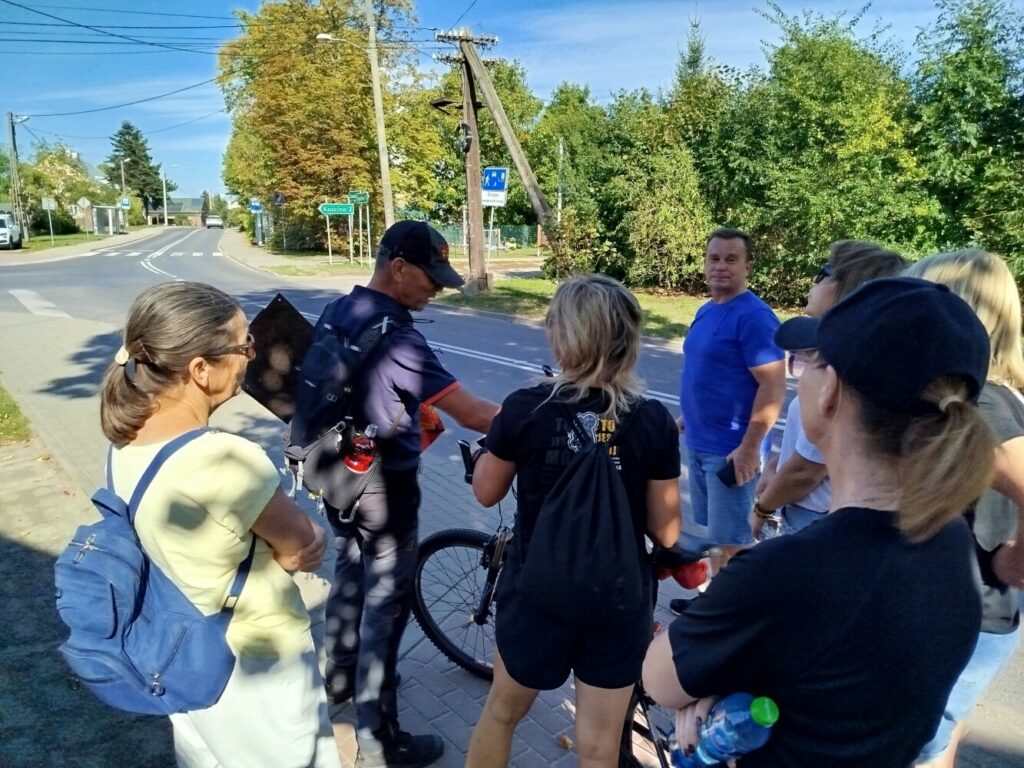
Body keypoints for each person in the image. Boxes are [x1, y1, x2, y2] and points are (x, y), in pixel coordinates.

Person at [644, 277, 995, 767]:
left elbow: (659, 680)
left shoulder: (791, 570)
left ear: (830, 390)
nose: (798, 373)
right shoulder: (951, 541)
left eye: (807, 359)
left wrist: (725, 695)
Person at [99, 282, 339, 768]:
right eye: (244, 344)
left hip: (183, 658)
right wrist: (304, 541)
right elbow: (302, 545)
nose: (252, 355)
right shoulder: (225, 459)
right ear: (200, 370)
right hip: (257, 669)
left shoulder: (124, 443)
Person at [465, 275, 682, 768]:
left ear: (564, 337)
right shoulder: (652, 421)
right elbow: (667, 532)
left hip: (538, 592)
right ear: (628, 341)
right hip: (617, 602)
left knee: (501, 713)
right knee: (600, 748)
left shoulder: (526, 408)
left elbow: (485, 492)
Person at [319, 220, 498, 768]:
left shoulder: (339, 311)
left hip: (335, 475)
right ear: (399, 268)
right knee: (388, 605)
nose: (437, 289)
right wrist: (545, 415)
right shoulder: (399, 338)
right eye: (432, 277)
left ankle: (342, 676)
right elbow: (473, 414)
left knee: (351, 573)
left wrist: (396, 407)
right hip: (384, 491)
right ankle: (379, 739)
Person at [906, 250, 1024, 768]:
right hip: (969, 617)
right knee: (939, 739)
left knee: (918, 745)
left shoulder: (984, 408)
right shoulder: (994, 397)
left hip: (966, 617)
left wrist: (1015, 562)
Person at [750, 241, 905, 539]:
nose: (814, 280)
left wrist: (760, 511)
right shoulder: (866, 359)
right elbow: (810, 446)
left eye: (824, 273)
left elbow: (807, 471)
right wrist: (774, 463)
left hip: (816, 518)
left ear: (850, 289)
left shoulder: (845, 368)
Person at [679, 228, 785, 560]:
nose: (720, 266)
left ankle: (731, 607)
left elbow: (773, 386)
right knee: (716, 534)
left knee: (731, 542)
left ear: (748, 266)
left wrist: (750, 448)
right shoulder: (707, 309)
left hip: (731, 452)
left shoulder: (755, 317)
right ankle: (711, 601)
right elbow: (707, 370)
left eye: (731, 259)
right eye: (714, 258)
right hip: (699, 441)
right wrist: (688, 417)